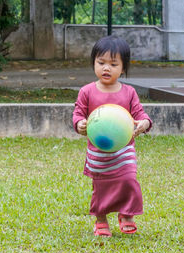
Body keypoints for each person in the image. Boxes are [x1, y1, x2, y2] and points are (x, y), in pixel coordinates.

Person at [72, 35, 152, 237]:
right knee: (101, 186)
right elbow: (79, 114)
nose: (106, 68)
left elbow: (140, 114)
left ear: (123, 68)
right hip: (98, 151)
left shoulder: (129, 92)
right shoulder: (87, 91)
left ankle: (126, 214)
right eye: (101, 63)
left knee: (128, 179)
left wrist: (144, 123)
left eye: (113, 64)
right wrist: (79, 123)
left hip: (124, 149)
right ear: (94, 64)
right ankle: (101, 219)